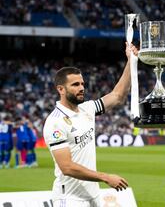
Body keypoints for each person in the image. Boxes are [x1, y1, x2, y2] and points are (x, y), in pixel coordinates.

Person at [43, 42, 138, 207]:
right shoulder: (55, 122)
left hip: (93, 196)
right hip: (70, 199)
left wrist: (131, 61)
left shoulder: (86, 108)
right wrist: (106, 177)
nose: (81, 88)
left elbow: (117, 96)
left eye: (82, 84)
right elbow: (67, 167)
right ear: (61, 89)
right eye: (75, 85)